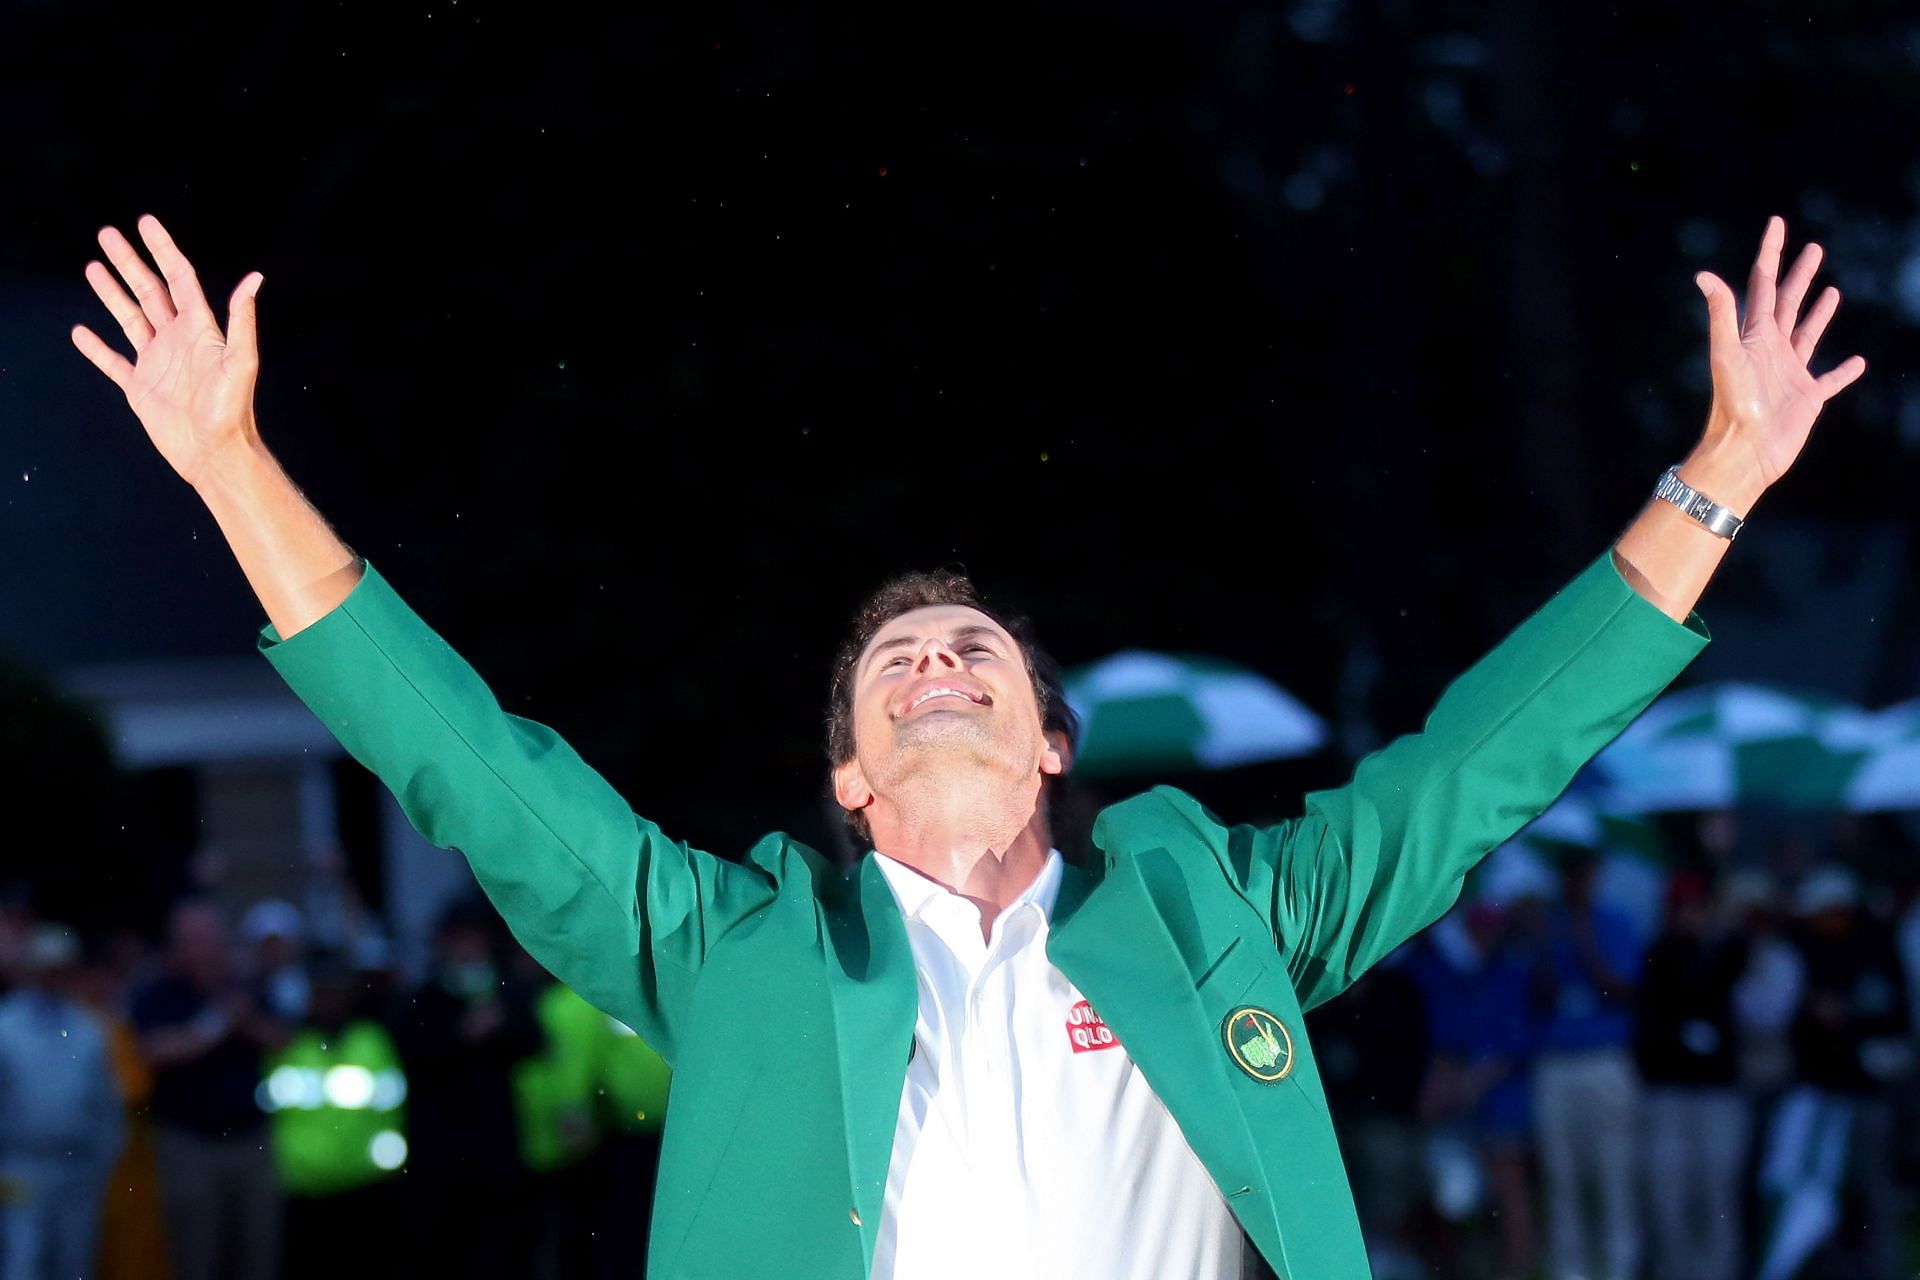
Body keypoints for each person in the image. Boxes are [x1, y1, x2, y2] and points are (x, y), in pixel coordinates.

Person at [68, 211, 1862, 1279]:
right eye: (896, 660)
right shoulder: (730, 947)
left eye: (974, 647)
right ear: (847, 777)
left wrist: (1721, 480)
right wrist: (229, 463)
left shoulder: (1212, 909)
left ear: (1052, 739)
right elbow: (463, 755)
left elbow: (1481, 765)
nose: (936, 660)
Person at [129, 899, 290, 1280]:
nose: (198, 949)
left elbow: (281, 1038)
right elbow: (152, 1050)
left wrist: (243, 1017)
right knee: (195, 1252)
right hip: (189, 1145)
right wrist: (213, 1027)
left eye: (205, 939)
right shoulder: (159, 993)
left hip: (250, 1140)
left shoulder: (246, 986)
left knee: (258, 1249)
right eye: (189, 941)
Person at [1634, 870, 1751, 1280]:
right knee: (1669, 1195)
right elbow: (1653, 1019)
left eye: (1695, 906)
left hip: (1718, 1092)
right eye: (1680, 907)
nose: (1689, 915)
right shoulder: (1658, 954)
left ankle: (1719, 1273)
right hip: (1668, 1092)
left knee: (1718, 1191)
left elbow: (1737, 975)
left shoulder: (1728, 950)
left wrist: (1718, 936)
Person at [0, 926, 125, 1280]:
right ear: (30, 971)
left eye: (61, 968)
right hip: (21, 1167)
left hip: (79, 1170)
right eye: (46, 968)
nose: (53, 976)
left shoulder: (88, 1029)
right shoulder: (5, 1026)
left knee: (75, 1265)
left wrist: (101, 1163)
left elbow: (107, 1103)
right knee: (22, 1264)